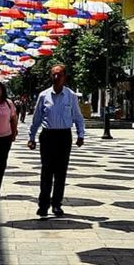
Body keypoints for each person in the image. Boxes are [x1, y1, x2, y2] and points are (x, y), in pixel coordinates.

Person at [28, 64, 85, 218]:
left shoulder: (70, 95)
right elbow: (37, 118)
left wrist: (81, 134)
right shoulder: (43, 95)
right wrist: (31, 137)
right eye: (53, 74)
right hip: (48, 136)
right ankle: (43, 205)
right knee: (46, 171)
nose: (56, 77)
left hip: (64, 136)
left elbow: (78, 116)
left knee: (61, 172)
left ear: (64, 77)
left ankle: (57, 204)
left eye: (59, 74)